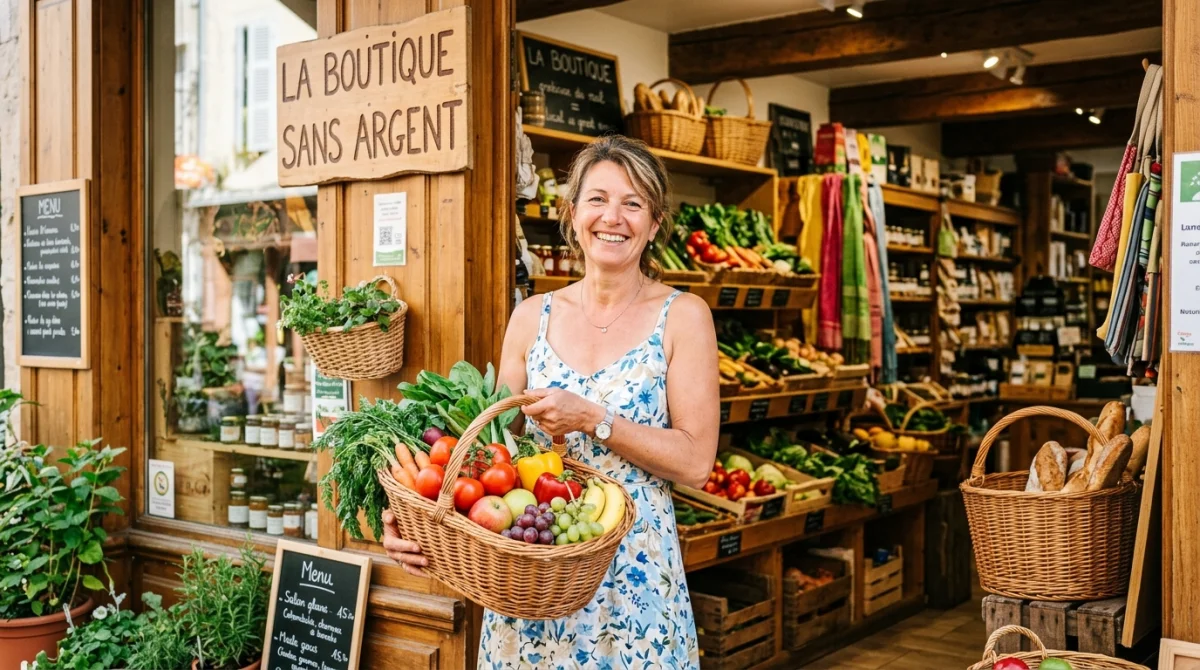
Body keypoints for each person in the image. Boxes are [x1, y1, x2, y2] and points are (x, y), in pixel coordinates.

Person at [381, 135, 720, 668]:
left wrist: (594, 419)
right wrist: (415, 516)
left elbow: (697, 462)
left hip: (633, 574)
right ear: (572, 213)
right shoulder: (531, 316)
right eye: (598, 199)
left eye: (633, 204)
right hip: (531, 570)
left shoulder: (683, 316)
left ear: (654, 223)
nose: (614, 217)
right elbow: (490, 453)